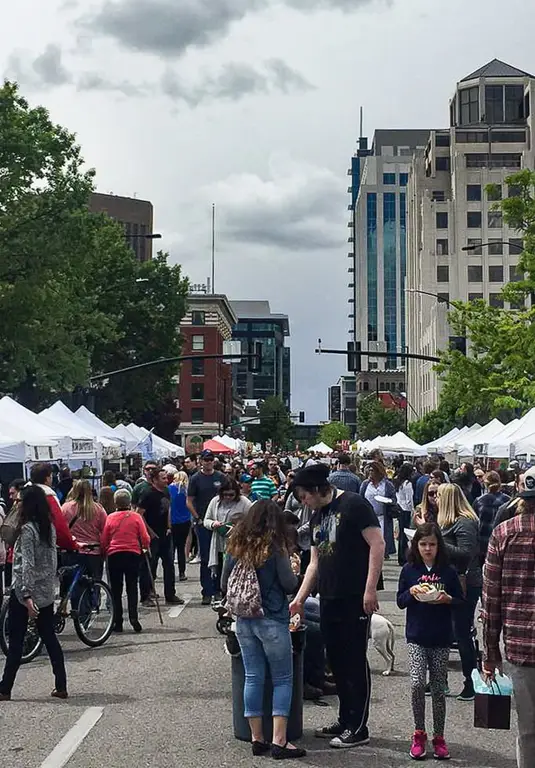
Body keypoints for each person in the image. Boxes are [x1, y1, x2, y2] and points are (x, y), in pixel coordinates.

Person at [290, 463, 384, 749]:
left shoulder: (355, 505)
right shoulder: (319, 514)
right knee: (337, 660)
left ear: (319, 489)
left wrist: (370, 589)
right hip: (329, 595)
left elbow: (377, 544)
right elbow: (315, 562)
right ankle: (345, 718)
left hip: (355, 595)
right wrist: (300, 598)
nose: (303, 502)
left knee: (354, 659)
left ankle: (359, 725)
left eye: (304, 496)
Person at [221, 500, 305, 760]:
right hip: (272, 618)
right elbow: (289, 583)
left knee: (253, 676)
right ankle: (280, 740)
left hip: (245, 620)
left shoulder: (235, 546)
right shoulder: (274, 548)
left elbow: (225, 582)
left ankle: (257, 738)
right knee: (282, 678)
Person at [481, 466, 535, 768]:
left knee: (528, 732)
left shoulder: (503, 533)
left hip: (520, 648)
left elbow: (491, 600)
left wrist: (490, 653)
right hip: (521, 646)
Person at [397, 522, 463, 761]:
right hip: (416, 635)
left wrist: (447, 599)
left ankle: (439, 736)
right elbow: (400, 601)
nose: (427, 549)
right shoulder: (409, 569)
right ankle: (418, 732)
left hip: (441, 636)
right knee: (416, 684)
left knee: (437, 688)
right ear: (416, 545)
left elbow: (460, 600)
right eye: (423, 544)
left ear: (439, 546)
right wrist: (412, 592)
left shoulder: (448, 571)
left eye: (432, 545)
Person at [0, 485, 67, 700]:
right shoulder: (49, 527)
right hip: (46, 591)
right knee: (49, 637)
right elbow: (52, 561)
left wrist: (27, 595)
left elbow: (26, 563)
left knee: (16, 640)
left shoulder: (28, 529)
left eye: (19, 501)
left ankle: (5, 687)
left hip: (24, 592)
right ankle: (61, 684)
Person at [436, 482, 480, 701]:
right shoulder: (449, 522)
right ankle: (439, 680)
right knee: (445, 632)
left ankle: (471, 682)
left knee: (462, 633)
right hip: (449, 582)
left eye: (438, 496)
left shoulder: (464, 522)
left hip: (466, 584)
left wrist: (439, 543)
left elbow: (467, 553)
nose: (434, 499)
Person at [101, 489, 151, 633]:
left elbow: (105, 538)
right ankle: (134, 618)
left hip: (114, 554)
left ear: (115, 502)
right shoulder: (135, 517)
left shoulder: (110, 517)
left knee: (116, 590)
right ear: (129, 502)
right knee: (132, 588)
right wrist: (145, 548)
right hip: (132, 554)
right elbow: (145, 537)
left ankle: (118, 621)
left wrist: (104, 550)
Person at [137, 467, 183, 607]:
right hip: (151, 534)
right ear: (155, 480)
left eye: (166, 477)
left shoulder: (166, 491)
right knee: (149, 566)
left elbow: (168, 509)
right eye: (163, 478)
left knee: (169, 564)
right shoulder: (148, 494)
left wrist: (169, 526)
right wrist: (149, 532)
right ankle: (146, 596)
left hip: (165, 533)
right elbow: (139, 514)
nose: (166, 480)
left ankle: (170, 594)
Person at [187, 450, 226, 605]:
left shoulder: (221, 477)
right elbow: (189, 501)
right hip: (203, 523)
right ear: (200, 461)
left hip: (220, 523)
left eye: (210, 459)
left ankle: (218, 589)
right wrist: (198, 518)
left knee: (221, 556)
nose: (208, 462)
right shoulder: (195, 479)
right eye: (205, 460)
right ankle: (206, 591)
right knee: (205, 558)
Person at [203, 478, 251, 600]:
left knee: (234, 574)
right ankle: (222, 601)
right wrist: (213, 524)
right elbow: (206, 520)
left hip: (237, 546)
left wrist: (238, 528)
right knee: (220, 575)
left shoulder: (244, 503)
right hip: (219, 544)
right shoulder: (215, 501)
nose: (228, 497)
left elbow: (252, 522)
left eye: (231, 495)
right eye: (225, 495)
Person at [61, 480, 107, 590]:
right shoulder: (98, 509)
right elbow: (105, 530)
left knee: (74, 585)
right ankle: (93, 603)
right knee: (94, 582)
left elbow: (61, 528)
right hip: (93, 551)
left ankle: (75, 604)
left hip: (72, 551)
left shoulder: (65, 508)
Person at [29, 463, 77, 552]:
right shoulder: (48, 496)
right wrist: (71, 544)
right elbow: (59, 525)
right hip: (44, 547)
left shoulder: (23, 495)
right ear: (47, 478)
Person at [360, 461, 396, 559]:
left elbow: (393, 499)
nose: (370, 473)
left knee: (382, 538)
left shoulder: (387, 485)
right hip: (368, 515)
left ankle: (383, 553)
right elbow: (361, 498)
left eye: (373, 471)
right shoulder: (365, 484)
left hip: (382, 515)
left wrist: (388, 501)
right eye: (369, 471)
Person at [473, 471, 510, 566]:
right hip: (502, 542)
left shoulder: (478, 501)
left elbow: (474, 522)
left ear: (485, 484)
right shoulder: (508, 501)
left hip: (482, 542)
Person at [168, 471, 191, 582]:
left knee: (171, 548)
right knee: (181, 547)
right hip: (185, 520)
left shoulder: (169, 489)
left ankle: (170, 572)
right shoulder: (187, 490)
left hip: (172, 521)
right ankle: (182, 572)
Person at [394, 462, 415, 565]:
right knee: (406, 534)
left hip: (400, 508)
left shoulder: (398, 482)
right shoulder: (408, 484)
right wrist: (412, 510)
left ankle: (400, 557)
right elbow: (409, 500)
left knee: (401, 535)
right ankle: (404, 556)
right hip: (406, 510)